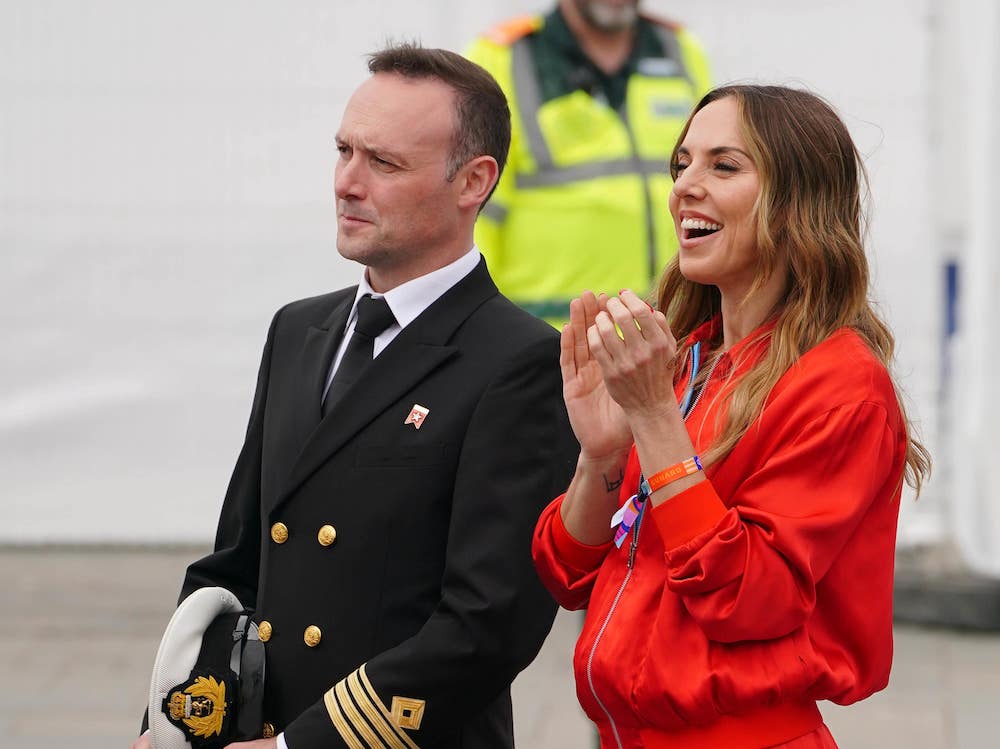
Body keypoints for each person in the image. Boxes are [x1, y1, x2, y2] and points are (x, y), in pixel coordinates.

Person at [133, 43, 578, 749]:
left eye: (384, 163)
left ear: (473, 182)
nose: (347, 181)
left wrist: (298, 747)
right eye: (344, 151)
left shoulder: (517, 361)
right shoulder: (298, 329)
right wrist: (176, 724)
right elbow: (234, 564)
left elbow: (486, 628)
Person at [531, 85, 932, 748]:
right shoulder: (689, 355)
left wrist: (656, 417)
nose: (685, 184)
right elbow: (568, 570)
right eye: (681, 163)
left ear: (797, 204)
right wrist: (601, 455)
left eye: (724, 166)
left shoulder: (843, 384)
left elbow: (749, 597)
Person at [466, 0, 711, 324]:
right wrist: (479, 325)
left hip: (665, 333)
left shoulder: (679, 50)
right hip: (546, 338)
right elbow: (476, 210)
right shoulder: (502, 57)